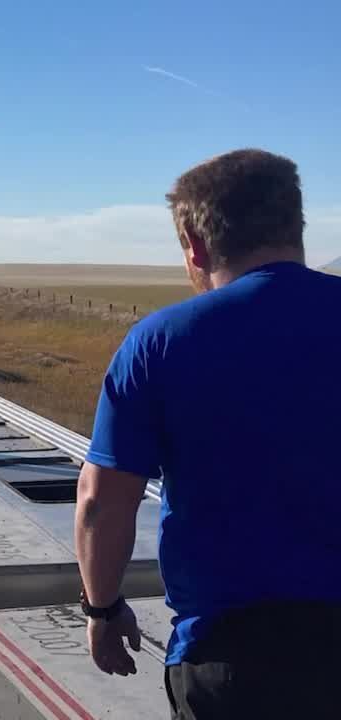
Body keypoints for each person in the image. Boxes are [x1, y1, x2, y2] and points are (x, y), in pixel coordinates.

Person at [73, 149, 341, 719]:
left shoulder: (160, 343)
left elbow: (102, 501)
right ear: (295, 227)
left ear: (194, 243)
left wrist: (102, 609)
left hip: (231, 659)